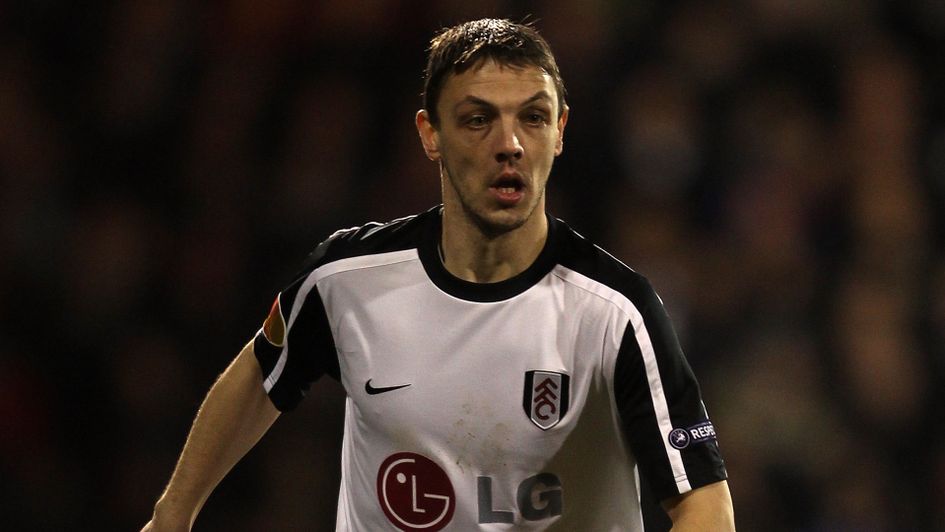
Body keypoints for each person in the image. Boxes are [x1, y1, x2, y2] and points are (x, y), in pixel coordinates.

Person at [144, 18, 734, 531]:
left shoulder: (613, 313)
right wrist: (172, 516)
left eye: (533, 117)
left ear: (559, 132)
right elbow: (259, 377)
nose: (510, 145)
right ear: (431, 135)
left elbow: (705, 507)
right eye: (479, 120)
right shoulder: (345, 281)